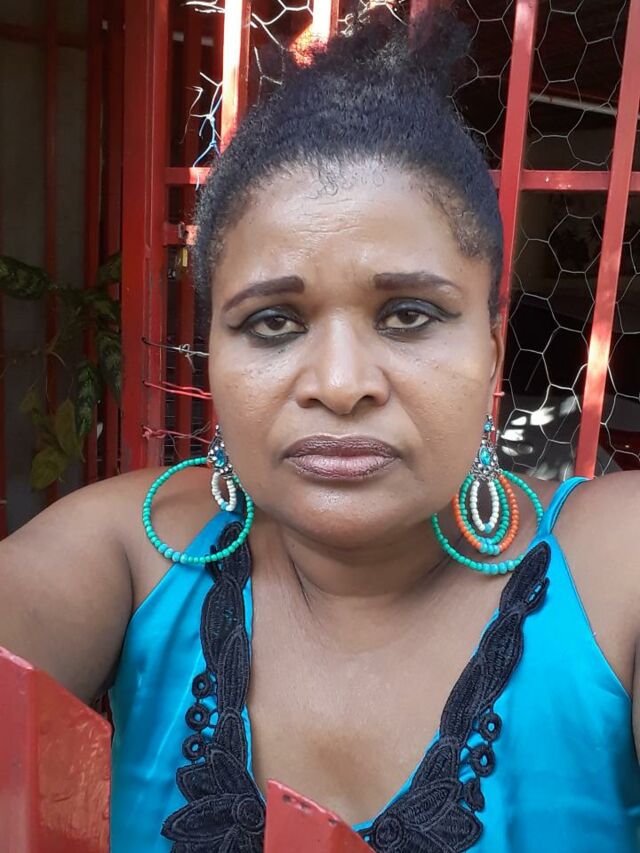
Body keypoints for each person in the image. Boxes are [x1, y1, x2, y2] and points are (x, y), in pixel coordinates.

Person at [1, 8, 639, 853]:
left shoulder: (616, 567)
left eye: (408, 314)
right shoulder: (135, 549)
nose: (340, 385)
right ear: (212, 355)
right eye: (273, 322)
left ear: (491, 347)